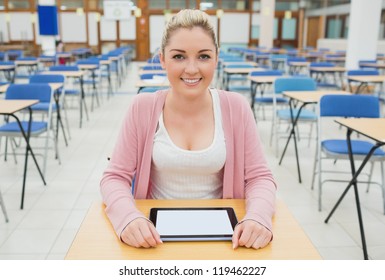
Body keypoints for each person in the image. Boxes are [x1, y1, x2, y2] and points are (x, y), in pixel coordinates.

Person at [100, 9, 277, 250]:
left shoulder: (236, 107)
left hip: (224, 238)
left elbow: (260, 178)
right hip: (154, 237)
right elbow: (114, 178)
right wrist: (128, 218)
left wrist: (258, 216)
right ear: (162, 59)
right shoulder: (142, 107)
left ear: (216, 58)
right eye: (179, 57)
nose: (192, 69)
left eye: (203, 56)